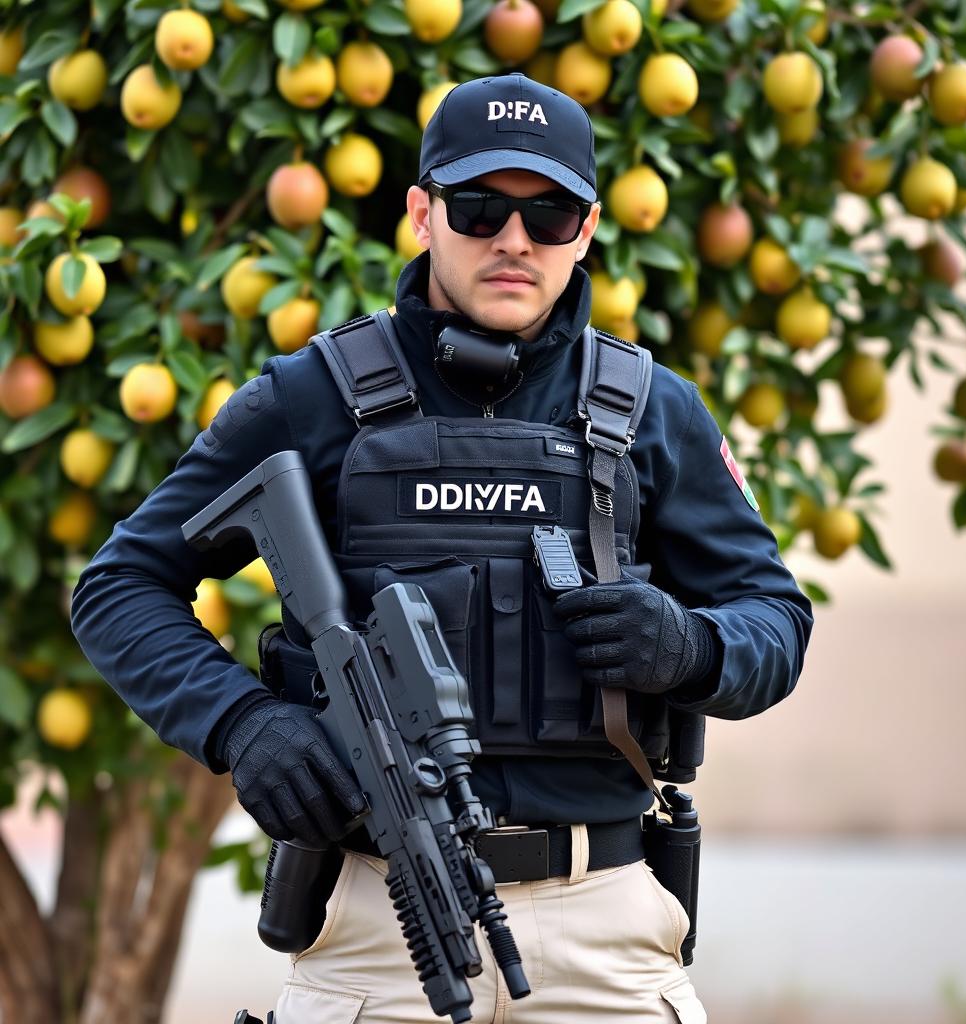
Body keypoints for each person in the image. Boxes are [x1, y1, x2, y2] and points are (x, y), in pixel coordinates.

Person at [71, 73, 813, 1024]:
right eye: (479, 208)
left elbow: (776, 619)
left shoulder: (653, 409)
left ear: (588, 229)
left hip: (604, 931)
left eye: (549, 213)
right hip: (380, 931)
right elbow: (122, 586)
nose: (515, 240)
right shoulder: (314, 395)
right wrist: (241, 723)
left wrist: (692, 648)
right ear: (422, 214)